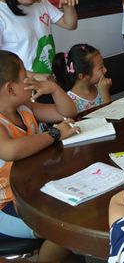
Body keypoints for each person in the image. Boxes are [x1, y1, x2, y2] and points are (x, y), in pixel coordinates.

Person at [0, 50, 79, 261]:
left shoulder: (26, 108)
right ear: (10, 89)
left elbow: (66, 112)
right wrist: (54, 134)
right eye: (25, 77)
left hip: (34, 191)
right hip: (6, 205)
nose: (32, 80)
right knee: (66, 229)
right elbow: (10, 150)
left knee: (76, 210)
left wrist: (53, 88)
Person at [0, 0, 78, 76]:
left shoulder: (41, 1)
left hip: (49, 76)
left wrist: (68, 6)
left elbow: (70, 24)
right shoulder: (2, 14)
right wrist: (35, 76)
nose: (40, 1)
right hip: (25, 82)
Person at [52, 43, 112, 112]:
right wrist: (105, 94)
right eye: (101, 67)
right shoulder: (69, 101)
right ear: (83, 76)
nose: (105, 70)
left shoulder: (100, 86)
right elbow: (109, 114)